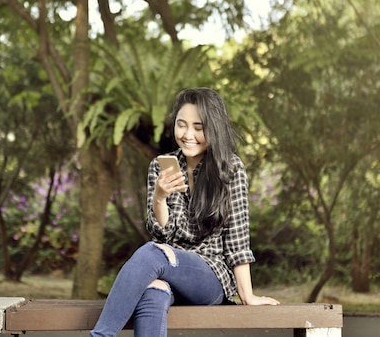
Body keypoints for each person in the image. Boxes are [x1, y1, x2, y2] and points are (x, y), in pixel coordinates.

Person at [90, 87, 280, 337]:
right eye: (182, 125)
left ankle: (100, 336)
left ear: (214, 128)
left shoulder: (230, 169)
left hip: (210, 277)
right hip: (168, 268)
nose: (188, 134)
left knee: (152, 253)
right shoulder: (162, 166)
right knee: (153, 289)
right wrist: (159, 197)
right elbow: (163, 233)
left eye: (199, 127)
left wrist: (248, 296)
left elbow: (238, 240)